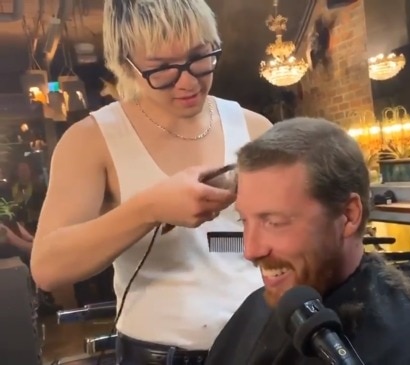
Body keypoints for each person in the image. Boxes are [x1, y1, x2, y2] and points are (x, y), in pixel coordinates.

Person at [30, 0, 272, 363]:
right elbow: (49, 267)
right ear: (127, 65)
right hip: (158, 355)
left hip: (262, 346)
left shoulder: (254, 128)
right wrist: (150, 208)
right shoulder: (92, 140)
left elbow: (274, 244)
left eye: (199, 57)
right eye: (161, 69)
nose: (188, 81)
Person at [206, 118, 410, 364]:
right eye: (244, 221)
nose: (251, 251)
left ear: (348, 215)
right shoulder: (260, 306)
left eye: (274, 222)